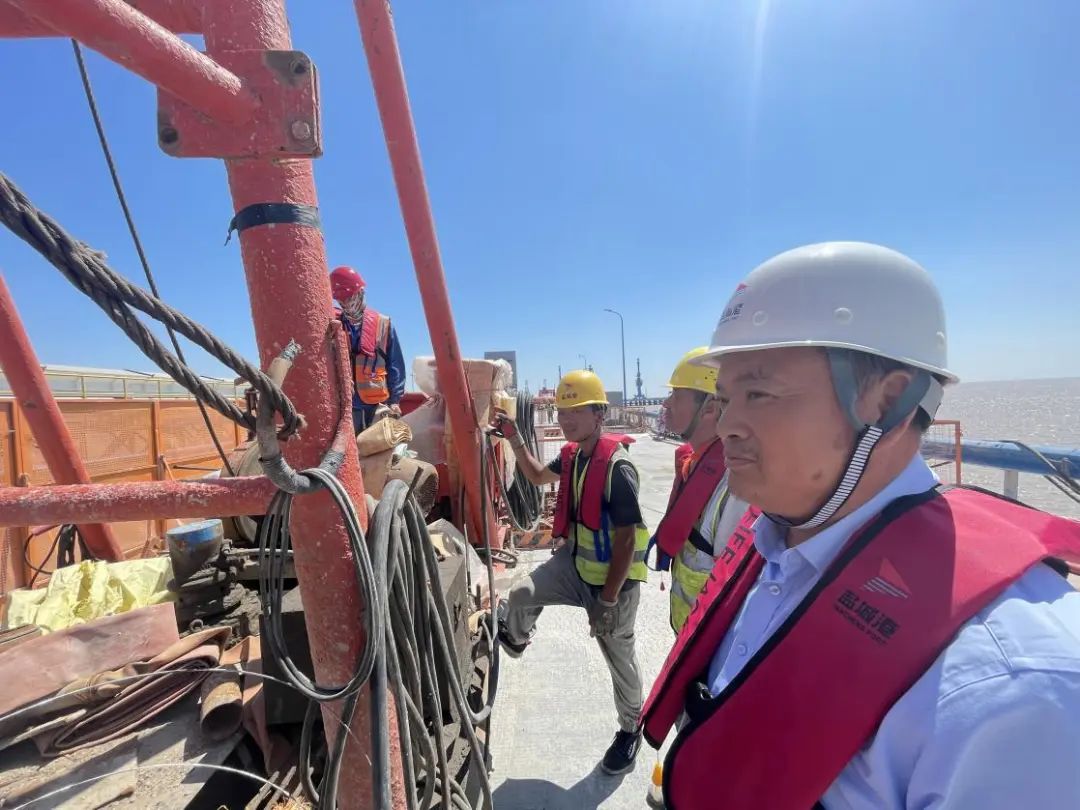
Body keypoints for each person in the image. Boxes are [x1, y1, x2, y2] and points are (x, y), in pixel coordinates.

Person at [639, 242, 1080, 809]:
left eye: (759, 393)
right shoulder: (774, 542)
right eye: (725, 400)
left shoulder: (1015, 688)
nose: (728, 425)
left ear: (887, 403)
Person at [492, 369, 651, 775]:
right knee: (521, 595)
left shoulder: (617, 468)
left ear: (599, 414)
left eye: (576, 411)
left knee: (619, 660)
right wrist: (513, 435)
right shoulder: (572, 456)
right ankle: (517, 638)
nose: (566, 420)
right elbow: (535, 475)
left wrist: (607, 602)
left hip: (614, 584)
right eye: (562, 412)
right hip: (576, 566)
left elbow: (626, 541)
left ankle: (630, 730)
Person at [654, 348, 750, 633]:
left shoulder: (735, 487)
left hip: (709, 644)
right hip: (688, 634)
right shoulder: (694, 464)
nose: (666, 403)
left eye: (676, 394)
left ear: (710, 407)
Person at [329, 265, 406, 434]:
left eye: (350, 298)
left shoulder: (384, 324)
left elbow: (395, 364)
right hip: (346, 407)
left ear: (360, 293)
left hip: (377, 405)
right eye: (342, 300)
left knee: (379, 447)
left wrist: (395, 400)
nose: (347, 304)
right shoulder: (335, 325)